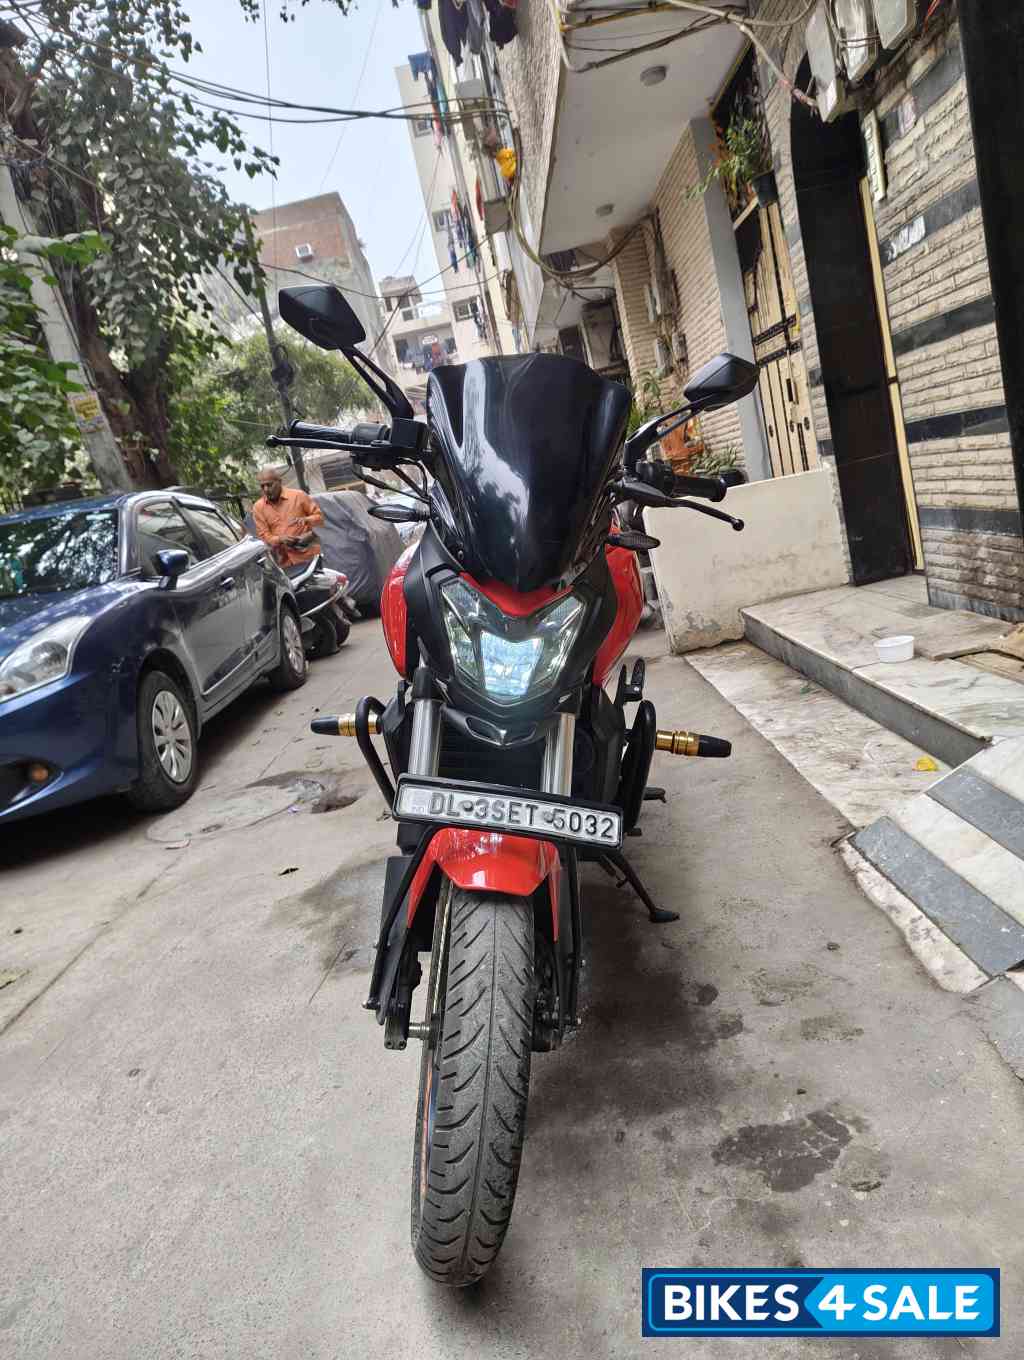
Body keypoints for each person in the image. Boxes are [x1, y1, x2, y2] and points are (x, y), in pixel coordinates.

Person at [252, 467, 324, 568]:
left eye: (269, 485)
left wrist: (310, 532)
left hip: (309, 558)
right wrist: (279, 539)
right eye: (262, 486)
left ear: (280, 482)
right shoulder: (258, 507)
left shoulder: (298, 496)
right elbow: (264, 536)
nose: (266, 489)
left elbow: (320, 519)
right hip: (283, 563)